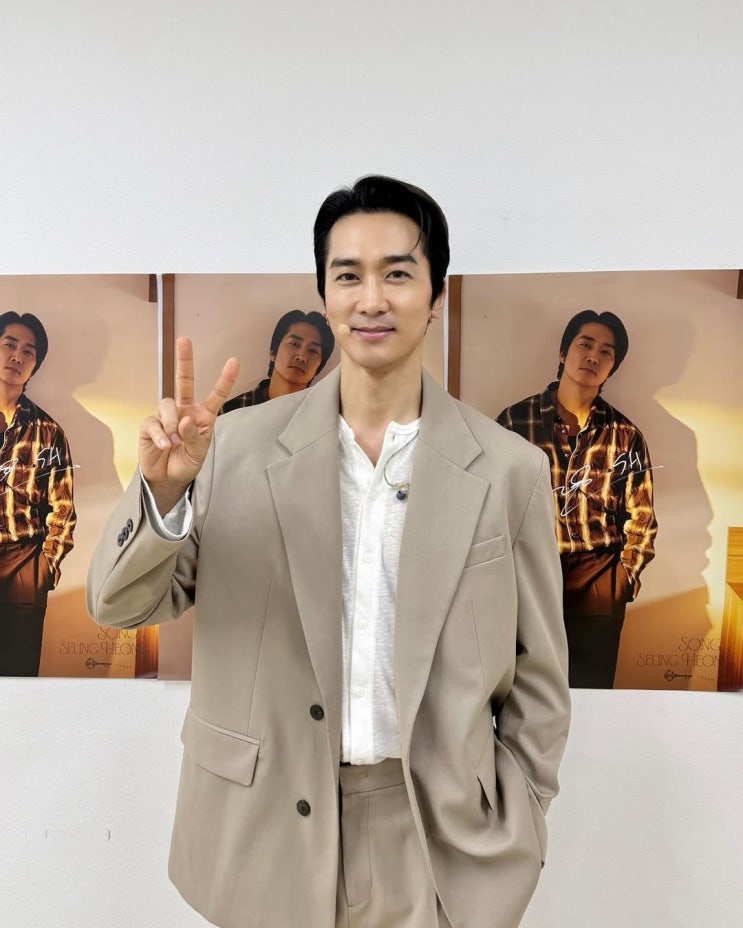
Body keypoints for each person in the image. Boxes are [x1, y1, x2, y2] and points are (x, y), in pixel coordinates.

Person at [87, 176, 570, 928]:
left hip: (433, 833)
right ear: (324, 293)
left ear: (434, 296)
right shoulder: (233, 446)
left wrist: (521, 813)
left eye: (397, 274)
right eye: (348, 276)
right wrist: (165, 489)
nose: (371, 299)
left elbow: (539, 677)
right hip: (260, 827)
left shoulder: (510, 470)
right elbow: (118, 605)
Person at [497, 310, 658, 689]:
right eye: (585, 344)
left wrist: (624, 580)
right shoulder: (515, 422)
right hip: (530, 570)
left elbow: (642, 517)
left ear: (613, 366)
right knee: (525, 689)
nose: (593, 357)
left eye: (606, 352)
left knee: (591, 690)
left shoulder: (625, 435)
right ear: (563, 352)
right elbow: (491, 503)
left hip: (598, 576)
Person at [0, 311, 76, 676]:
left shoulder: (49, 432)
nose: (17, 356)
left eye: (28, 352)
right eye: (9, 344)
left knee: (17, 676)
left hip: (23, 563)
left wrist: (46, 567)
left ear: (35, 365)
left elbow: (63, 507)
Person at [220, 309, 335, 412]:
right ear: (273, 352)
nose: (301, 357)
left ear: (318, 369)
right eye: (294, 344)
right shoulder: (233, 410)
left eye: (313, 351)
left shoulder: (324, 418)